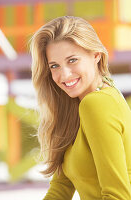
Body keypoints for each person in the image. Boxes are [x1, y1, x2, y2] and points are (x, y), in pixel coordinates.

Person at [30, 16, 131, 200]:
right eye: (54, 66)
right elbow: (61, 187)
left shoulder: (96, 104)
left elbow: (118, 196)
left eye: (72, 60)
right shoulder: (78, 107)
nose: (64, 75)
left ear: (96, 56)